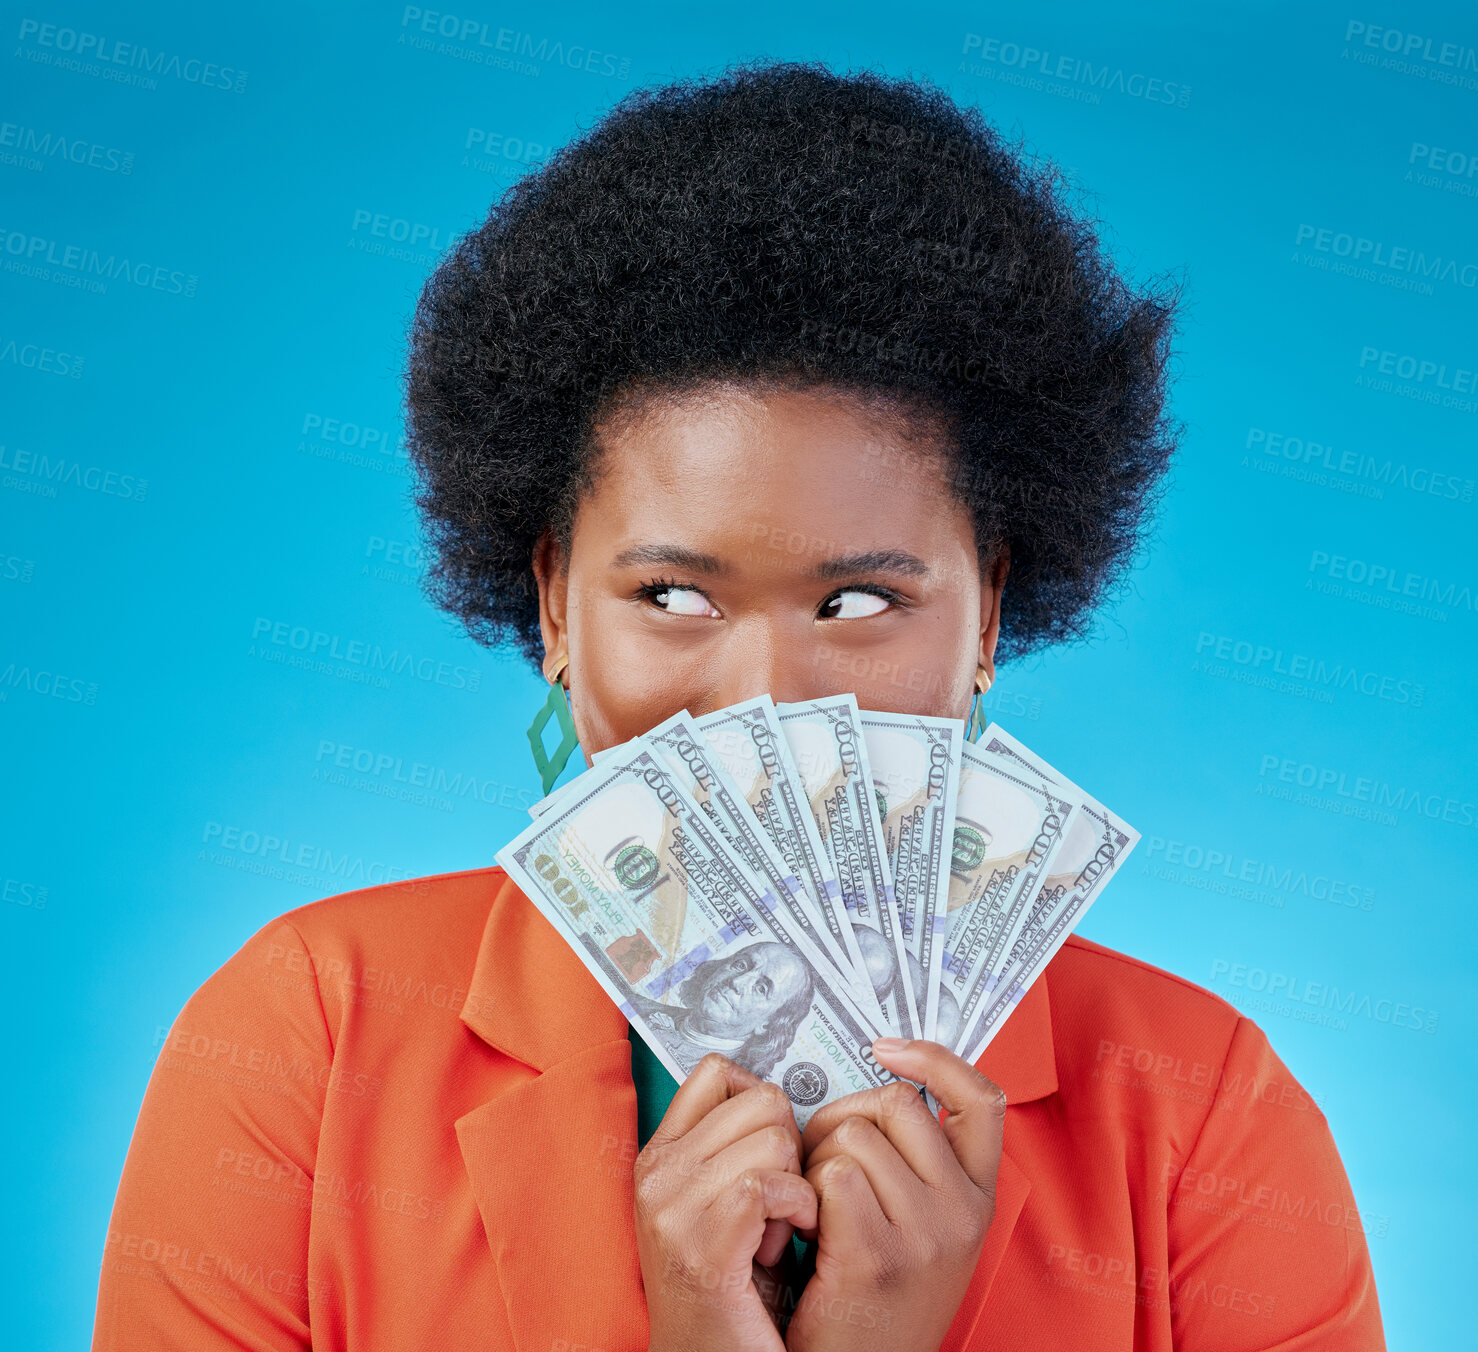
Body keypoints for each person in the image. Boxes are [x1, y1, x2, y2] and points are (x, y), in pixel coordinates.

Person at [91, 61, 1386, 1351]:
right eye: (672, 597)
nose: (763, 708)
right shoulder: (309, 1038)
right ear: (552, 601)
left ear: (987, 613)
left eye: (857, 604)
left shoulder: (1201, 1111)